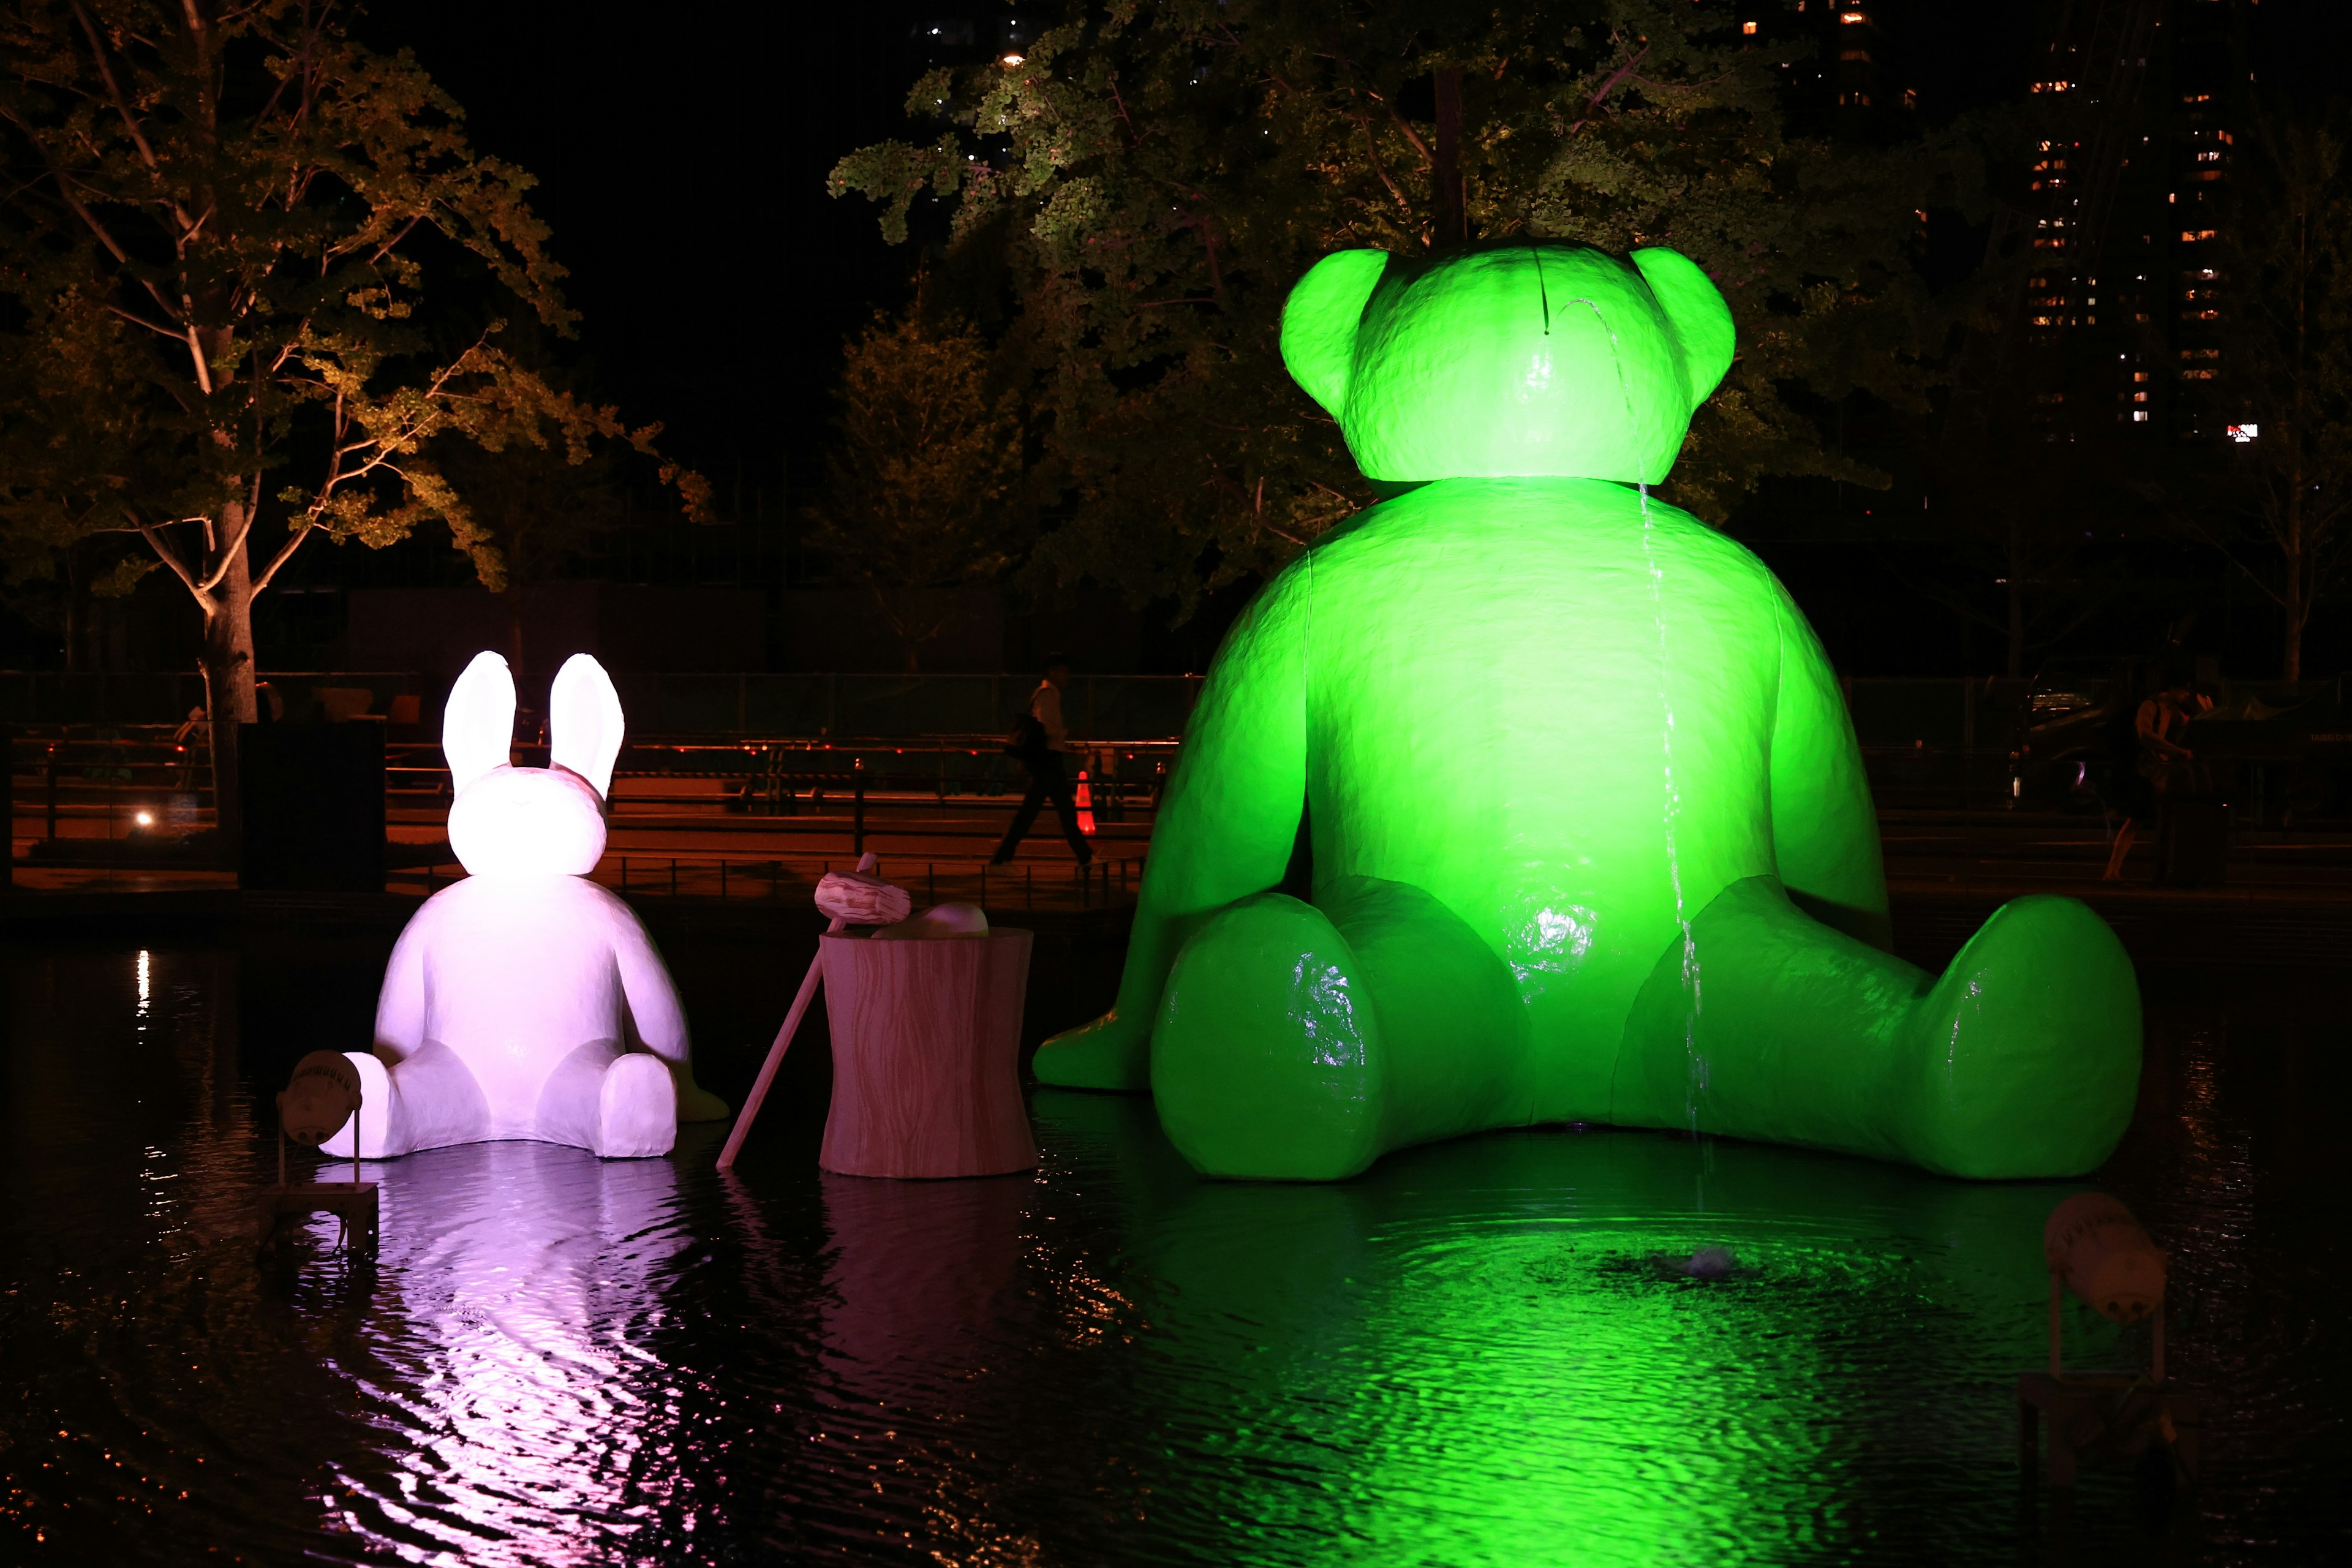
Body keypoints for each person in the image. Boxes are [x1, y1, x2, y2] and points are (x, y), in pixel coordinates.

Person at [2103, 672, 2208, 880]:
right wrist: (2176, 751)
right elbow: (2145, 735)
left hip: (2157, 773)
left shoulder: (2173, 711)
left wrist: (2194, 716)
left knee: (2139, 821)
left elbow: (2183, 732)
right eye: (2184, 690)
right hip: (2144, 772)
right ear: (2171, 688)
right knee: (2136, 820)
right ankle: (2113, 871)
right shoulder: (2150, 707)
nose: (2186, 695)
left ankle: (2115, 871)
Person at [992, 655, 1093, 867]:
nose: (1067, 676)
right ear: (1052, 672)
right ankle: (1001, 860)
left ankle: (1086, 857)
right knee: (1048, 813)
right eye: (1063, 671)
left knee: (1043, 813)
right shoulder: (1047, 695)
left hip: (1046, 760)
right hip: (1048, 760)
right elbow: (1048, 729)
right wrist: (1065, 733)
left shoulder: (1047, 694)